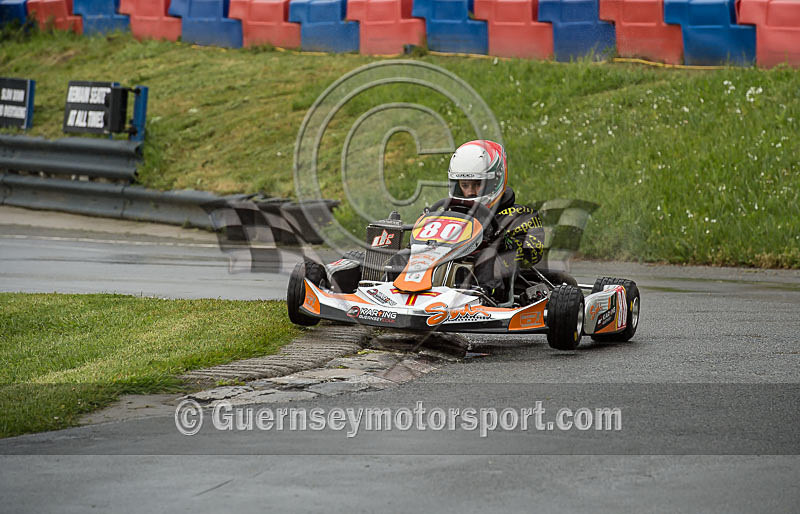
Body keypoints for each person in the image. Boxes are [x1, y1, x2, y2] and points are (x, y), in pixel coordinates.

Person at [446, 140, 545, 303]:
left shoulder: (519, 215)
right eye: (464, 185)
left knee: (487, 256)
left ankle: (483, 297)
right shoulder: (451, 214)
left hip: (497, 277)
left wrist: (504, 241)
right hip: (451, 269)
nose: (470, 192)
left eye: (477, 184)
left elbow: (532, 254)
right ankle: (397, 287)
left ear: (495, 182)